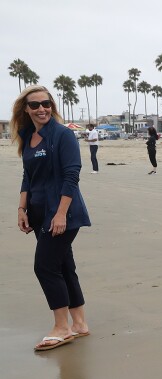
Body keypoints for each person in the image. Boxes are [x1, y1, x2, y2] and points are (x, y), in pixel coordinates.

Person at [12, 85, 92, 351]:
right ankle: (79, 324)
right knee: (63, 265)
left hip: (62, 213)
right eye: (35, 105)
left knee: (45, 266)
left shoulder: (62, 135)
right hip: (37, 211)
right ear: (26, 109)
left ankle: (61, 327)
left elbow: (72, 176)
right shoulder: (27, 136)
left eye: (46, 103)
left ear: (52, 106)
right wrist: (22, 209)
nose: (41, 109)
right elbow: (28, 176)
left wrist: (60, 215)